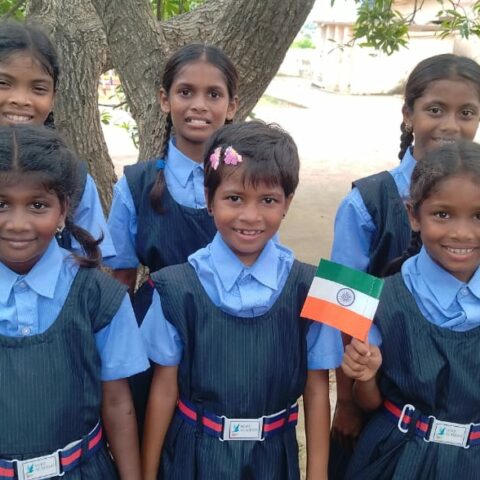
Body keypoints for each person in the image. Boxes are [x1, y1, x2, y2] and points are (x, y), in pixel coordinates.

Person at [140, 121, 342, 480]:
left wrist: (318, 474)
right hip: (194, 458)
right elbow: (164, 387)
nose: (250, 216)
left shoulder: (311, 286)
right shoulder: (176, 288)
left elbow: (316, 388)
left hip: (273, 460)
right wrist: (147, 472)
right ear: (209, 198)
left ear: (287, 203)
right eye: (234, 198)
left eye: (268, 200)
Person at [329, 53, 480, 477]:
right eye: (435, 110)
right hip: (381, 396)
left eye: (466, 112)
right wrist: (346, 402)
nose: (451, 125)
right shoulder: (365, 201)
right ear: (408, 114)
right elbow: (341, 313)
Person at [0, 125, 149, 479]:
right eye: (1, 203)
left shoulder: (100, 296)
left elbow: (117, 403)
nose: (18, 224)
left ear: (64, 209)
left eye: (38, 205)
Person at [106, 43, 238, 433]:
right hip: (154, 333)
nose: (199, 105)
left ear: (231, 105)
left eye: (213, 94)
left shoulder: (246, 183)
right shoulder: (136, 183)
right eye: (185, 92)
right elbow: (120, 282)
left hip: (228, 330)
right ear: (165, 100)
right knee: (158, 439)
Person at [0, 20, 115, 257]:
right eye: (4, 83)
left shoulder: (75, 179)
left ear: (53, 98)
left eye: (38, 88)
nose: (20, 99)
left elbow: (90, 264)